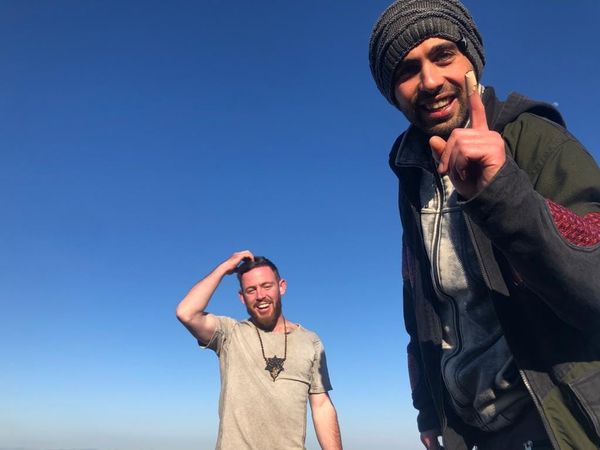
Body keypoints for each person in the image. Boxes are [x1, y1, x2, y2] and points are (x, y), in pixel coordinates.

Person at [368, 1, 600, 449]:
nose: (430, 81)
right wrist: (428, 411)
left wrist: (503, 192)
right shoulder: (412, 181)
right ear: (393, 93)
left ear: (472, 60)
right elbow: (422, 310)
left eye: (443, 55)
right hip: (475, 431)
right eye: (407, 70)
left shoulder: (534, 138)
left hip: (557, 419)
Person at [176, 250, 343, 450]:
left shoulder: (310, 341)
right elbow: (186, 313)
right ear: (242, 297)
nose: (260, 296)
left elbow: (321, 405)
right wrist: (225, 267)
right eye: (251, 290)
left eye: (266, 286)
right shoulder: (230, 333)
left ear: (282, 286)